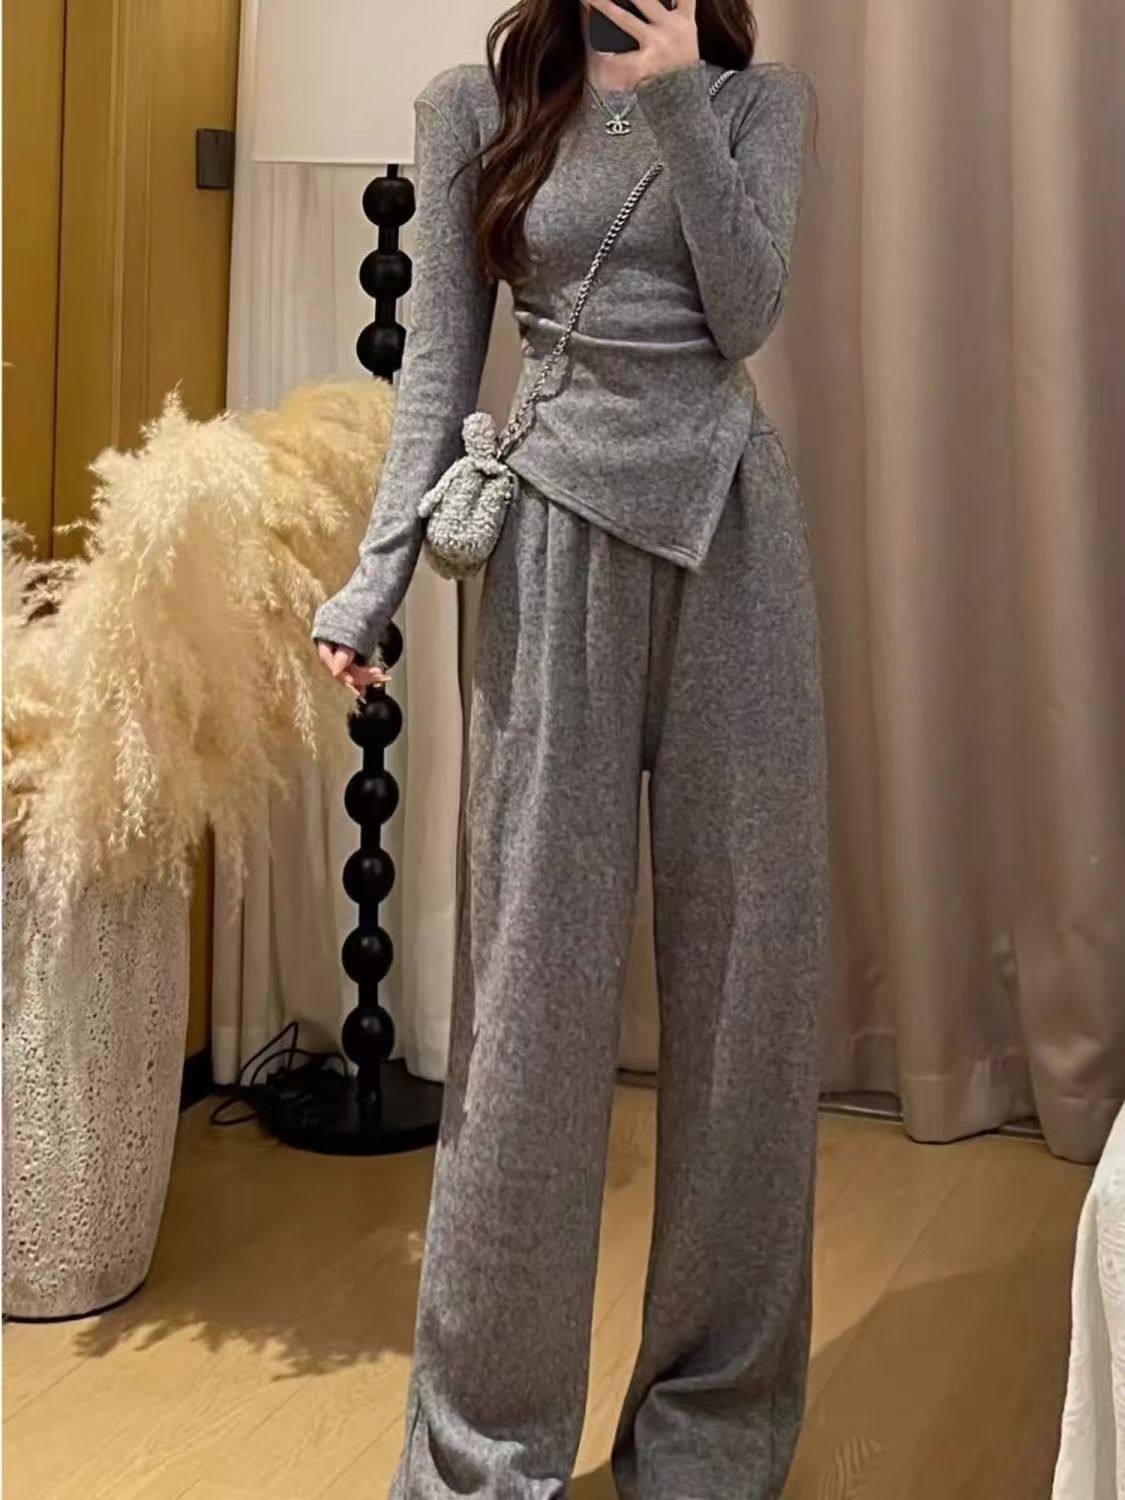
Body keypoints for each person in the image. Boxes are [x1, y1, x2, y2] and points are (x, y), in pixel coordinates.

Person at [313, 0, 828, 1494]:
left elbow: (746, 314)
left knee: (747, 1000)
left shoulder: (759, 103)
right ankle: (484, 1452)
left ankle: (711, 1434)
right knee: (525, 1011)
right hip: (548, 557)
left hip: (733, 543)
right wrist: (373, 584)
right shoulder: (471, 105)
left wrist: (675, 98)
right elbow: (436, 373)